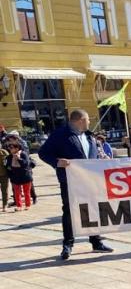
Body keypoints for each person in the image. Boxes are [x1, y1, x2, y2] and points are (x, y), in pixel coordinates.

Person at [39, 109, 113, 260]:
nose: (89, 122)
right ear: (80, 120)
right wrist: (57, 162)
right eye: (87, 119)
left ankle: (96, 241)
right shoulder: (60, 135)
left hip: (90, 181)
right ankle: (68, 245)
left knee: (93, 209)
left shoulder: (89, 136)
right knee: (69, 212)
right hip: (70, 181)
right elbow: (43, 153)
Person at [5, 141, 33, 211]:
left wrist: (19, 159)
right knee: (17, 193)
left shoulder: (23, 154)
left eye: (11, 148)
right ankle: (19, 206)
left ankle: (27, 205)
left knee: (26, 192)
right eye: (9, 148)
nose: (10, 149)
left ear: (17, 148)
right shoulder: (9, 157)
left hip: (25, 176)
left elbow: (26, 164)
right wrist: (10, 175)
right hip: (15, 177)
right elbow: (7, 167)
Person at [0, 145, 8, 211]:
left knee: (4, 190)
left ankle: (4, 205)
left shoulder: (4, 152)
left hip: (4, 175)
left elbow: (8, 163)